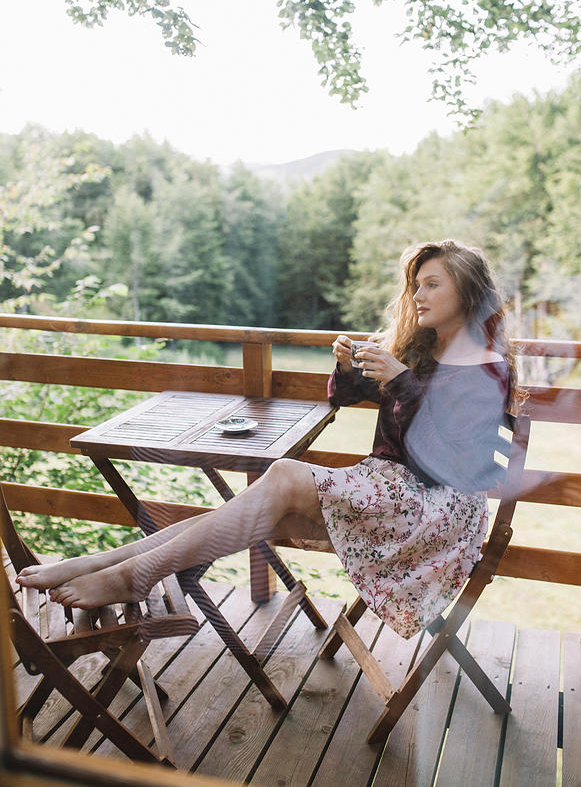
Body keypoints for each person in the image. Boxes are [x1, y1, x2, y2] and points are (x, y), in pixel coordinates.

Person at [17, 239, 518, 639]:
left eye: (432, 284)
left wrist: (401, 380)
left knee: (280, 476)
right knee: (256, 507)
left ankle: (130, 572)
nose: (417, 296)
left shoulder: (486, 370)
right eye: (415, 285)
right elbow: (348, 397)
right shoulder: (423, 347)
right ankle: (112, 563)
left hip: (435, 512)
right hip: (390, 491)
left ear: (468, 294)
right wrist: (349, 367)